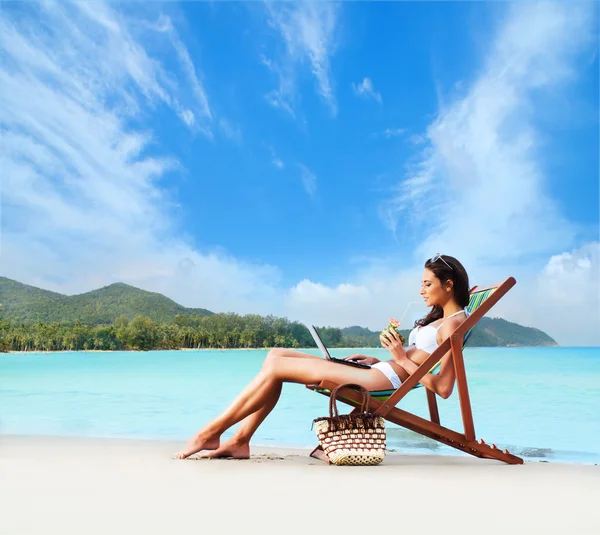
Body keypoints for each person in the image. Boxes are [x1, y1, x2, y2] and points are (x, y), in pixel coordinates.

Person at [175, 254, 470, 460]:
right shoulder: (441, 319)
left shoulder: (453, 325)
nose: (421, 291)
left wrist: (398, 359)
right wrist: (379, 357)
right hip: (381, 369)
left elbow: (444, 388)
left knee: (277, 366)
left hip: (381, 380)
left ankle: (211, 433)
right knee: (276, 353)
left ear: (449, 284)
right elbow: (419, 357)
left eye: (427, 284)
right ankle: (239, 441)